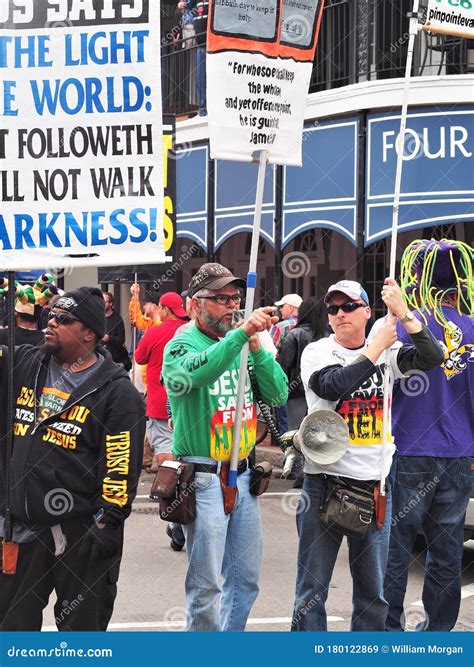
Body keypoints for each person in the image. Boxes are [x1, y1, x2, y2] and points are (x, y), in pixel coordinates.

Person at [291, 278, 444, 632]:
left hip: (376, 485)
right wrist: (376, 347)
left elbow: (433, 359)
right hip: (324, 483)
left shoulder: (387, 351)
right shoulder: (317, 351)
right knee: (312, 588)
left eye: (348, 307)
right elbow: (333, 385)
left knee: (373, 593)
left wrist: (405, 316)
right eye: (332, 308)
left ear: (366, 311)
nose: (339, 314)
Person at [0, 287, 145, 631]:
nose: (50, 323)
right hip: (21, 530)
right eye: (49, 315)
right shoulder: (22, 363)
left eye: (64, 319)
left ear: (89, 334)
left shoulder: (116, 391)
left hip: (82, 534)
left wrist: (107, 523)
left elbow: (121, 465)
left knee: (81, 637)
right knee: (11, 631)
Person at [162, 263, 288, 631]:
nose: (231, 306)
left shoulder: (241, 341)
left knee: (246, 580)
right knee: (206, 586)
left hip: (244, 477)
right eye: (219, 299)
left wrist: (257, 348)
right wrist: (239, 338)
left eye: (235, 298)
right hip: (202, 477)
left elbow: (279, 393)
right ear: (194, 305)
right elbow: (192, 375)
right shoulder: (181, 343)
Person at [384, 239, 474, 632]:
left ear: (418, 277)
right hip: (460, 453)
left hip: (409, 449)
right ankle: (437, 633)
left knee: (396, 548)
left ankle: (387, 629)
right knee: (447, 550)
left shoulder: (403, 325)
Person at [135, 293, 188, 472]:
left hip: (160, 398)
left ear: (165, 310)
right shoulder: (192, 330)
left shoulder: (156, 331)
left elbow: (140, 358)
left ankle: (170, 487)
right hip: (189, 398)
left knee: (165, 443)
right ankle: (185, 485)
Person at [102, 292, 129, 369]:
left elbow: (121, 340)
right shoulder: (98, 318)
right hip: (100, 359)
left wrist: (109, 338)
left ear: (110, 303)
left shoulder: (117, 319)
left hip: (114, 360)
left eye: (104, 301)